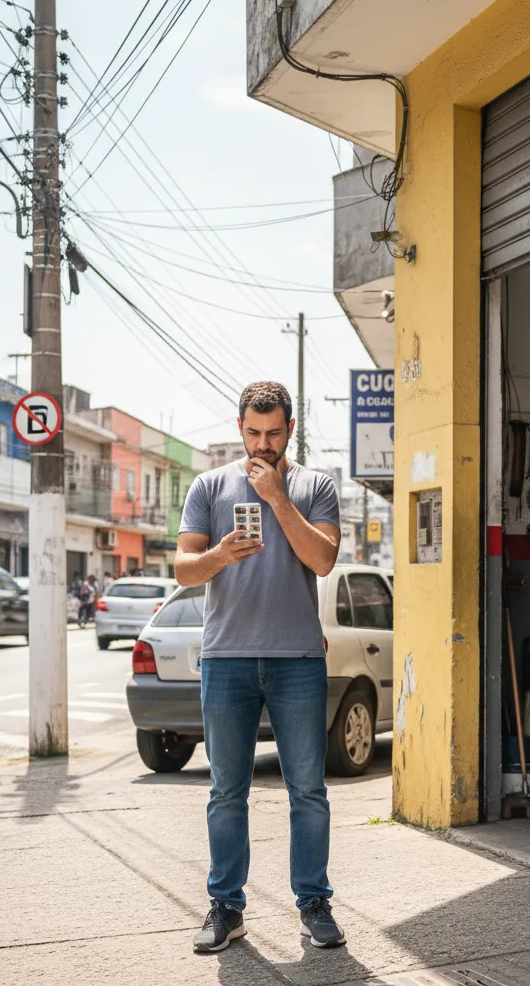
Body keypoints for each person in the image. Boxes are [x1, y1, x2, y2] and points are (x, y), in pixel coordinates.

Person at [175, 381, 342, 954]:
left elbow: (322, 559)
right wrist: (221, 554)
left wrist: (277, 499)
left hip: (297, 659)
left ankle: (314, 903)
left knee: (309, 792)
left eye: (273, 433)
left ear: (290, 429)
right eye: (253, 432)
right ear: (239, 426)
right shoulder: (208, 486)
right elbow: (184, 570)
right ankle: (226, 907)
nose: (262, 443)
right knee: (226, 791)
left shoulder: (315, 486)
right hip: (227, 659)